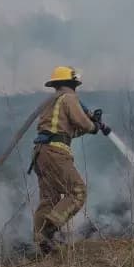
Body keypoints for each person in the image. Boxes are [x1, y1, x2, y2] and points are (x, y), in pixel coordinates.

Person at [30, 66, 99, 254]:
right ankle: (51, 229)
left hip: (40, 153)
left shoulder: (52, 102)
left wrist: (91, 125)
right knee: (78, 192)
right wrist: (93, 126)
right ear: (72, 83)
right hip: (56, 153)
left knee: (48, 199)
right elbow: (82, 122)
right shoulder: (69, 98)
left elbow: (67, 131)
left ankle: (41, 241)